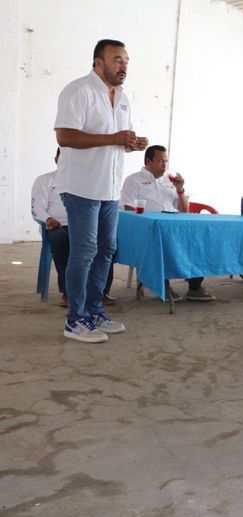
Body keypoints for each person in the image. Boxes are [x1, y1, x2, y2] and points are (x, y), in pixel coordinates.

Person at [55, 39, 147, 343]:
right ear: (98, 62)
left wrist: (130, 144)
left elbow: (118, 139)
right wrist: (112, 138)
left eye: (126, 60)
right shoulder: (78, 90)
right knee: (84, 251)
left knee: (106, 249)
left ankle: (94, 311)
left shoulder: (122, 98)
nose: (123, 66)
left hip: (110, 188)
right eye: (117, 59)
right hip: (82, 186)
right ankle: (75, 320)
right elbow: (65, 136)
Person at [120, 145, 215, 302]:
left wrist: (180, 190)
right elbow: (130, 211)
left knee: (197, 241)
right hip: (150, 228)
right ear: (148, 161)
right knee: (163, 243)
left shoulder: (169, 181)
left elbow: (184, 210)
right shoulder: (133, 180)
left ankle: (195, 287)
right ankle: (162, 285)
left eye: (166, 161)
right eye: (160, 161)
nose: (164, 165)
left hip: (175, 225)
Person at [32, 149, 115, 308]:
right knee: (60, 239)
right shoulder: (44, 180)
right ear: (56, 159)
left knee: (106, 242)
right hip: (58, 226)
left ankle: (100, 291)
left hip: (84, 226)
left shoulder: (88, 182)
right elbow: (36, 208)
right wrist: (48, 219)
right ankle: (68, 292)